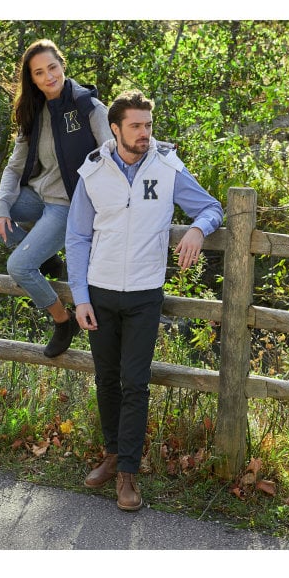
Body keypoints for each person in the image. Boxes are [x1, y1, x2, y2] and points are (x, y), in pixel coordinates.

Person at [65, 90, 224, 511]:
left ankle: (128, 474)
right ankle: (112, 453)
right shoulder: (93, 171)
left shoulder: (168, 167)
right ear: (114, 129)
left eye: (148, 125)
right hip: (99, 292)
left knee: (135, 382)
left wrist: (198, 229)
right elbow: (77, 237)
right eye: (135, 126)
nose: (144, 134)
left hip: (144, 293)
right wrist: (80, 297)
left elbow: (211, 207)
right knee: (106, 379)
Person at [0, 39, 111, 358]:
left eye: (52, 68)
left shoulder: (88, 107)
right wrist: (2, 208)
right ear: (31, 78)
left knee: (19, 266)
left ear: (62, 66)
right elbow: (15, 166)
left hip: (68, 205)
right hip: (36, 195)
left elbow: (112, 154)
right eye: (39, 72)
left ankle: (63, 320)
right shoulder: (33, 112)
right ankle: (46, 258)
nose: (48, 77)